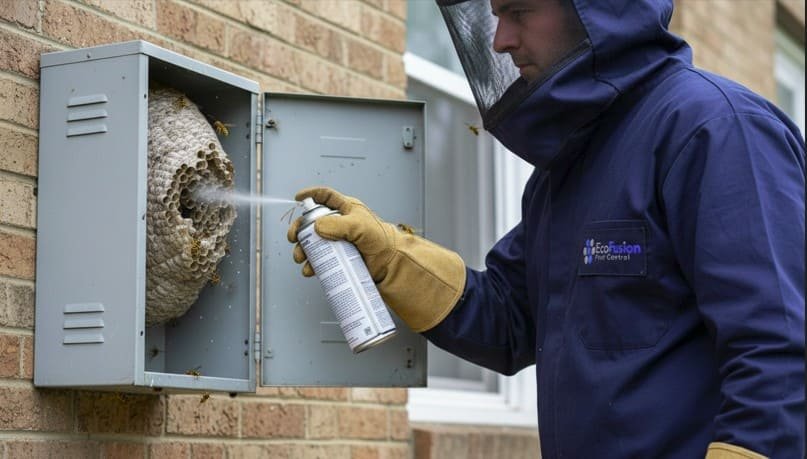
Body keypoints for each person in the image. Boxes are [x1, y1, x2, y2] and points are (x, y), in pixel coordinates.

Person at [288, 0, 805, 457]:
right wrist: (390, 257)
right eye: (495, 17)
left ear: (596, 10)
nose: (499, 40)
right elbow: (510, 320)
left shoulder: (714, 128)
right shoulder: (567, 168)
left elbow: (779, 355)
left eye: (519, 11)